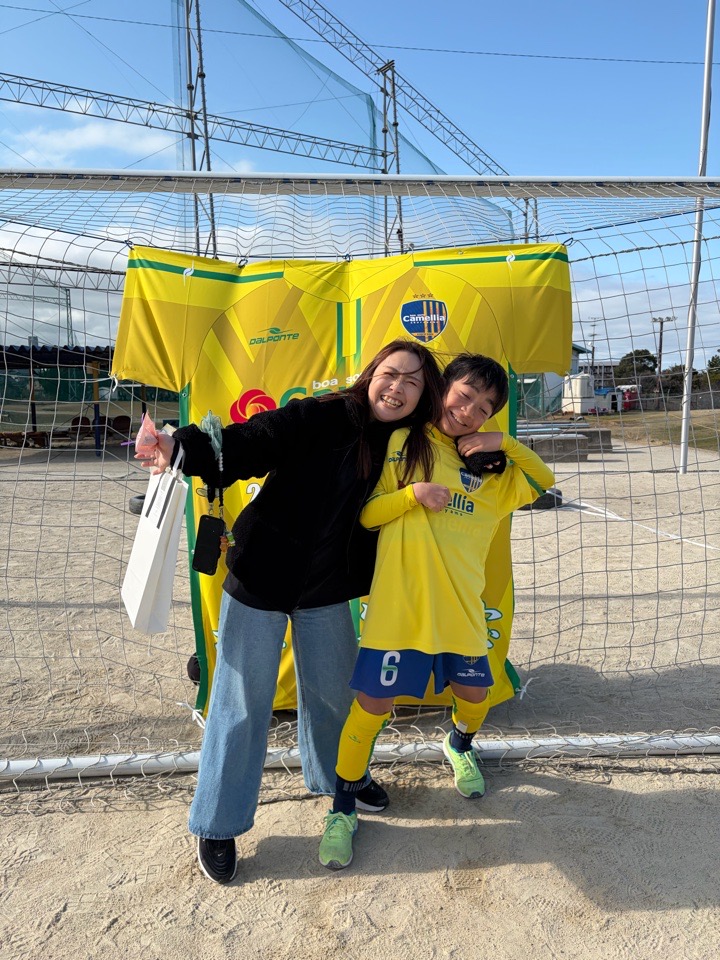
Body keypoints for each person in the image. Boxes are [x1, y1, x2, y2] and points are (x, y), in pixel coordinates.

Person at [139, 338, 445, 884]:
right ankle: (217, 821)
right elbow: (255, 439)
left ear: (424, 396)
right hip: (262, 575)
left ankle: (340, 779)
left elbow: (463, 441)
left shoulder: (412, 443)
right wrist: (180, 446)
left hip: (327, 586)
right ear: (371, 375)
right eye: (390, 373)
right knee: (240, 704)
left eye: (412, 381)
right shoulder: (324, 414)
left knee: (334, 695)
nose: (397, 387)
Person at [318, 353, 556, 870]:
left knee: (476, 696)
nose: (469, 410)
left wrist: (503, 443)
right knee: (372, 707)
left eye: (484, 407)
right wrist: (412, 495)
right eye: (464, 395)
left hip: (462, 613)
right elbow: (367, 515)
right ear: (443, 388)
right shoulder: (405, 443)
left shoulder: (493, 474)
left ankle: (459, 744)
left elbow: (543, 479)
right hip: (397, 610)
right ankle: (342, 809)